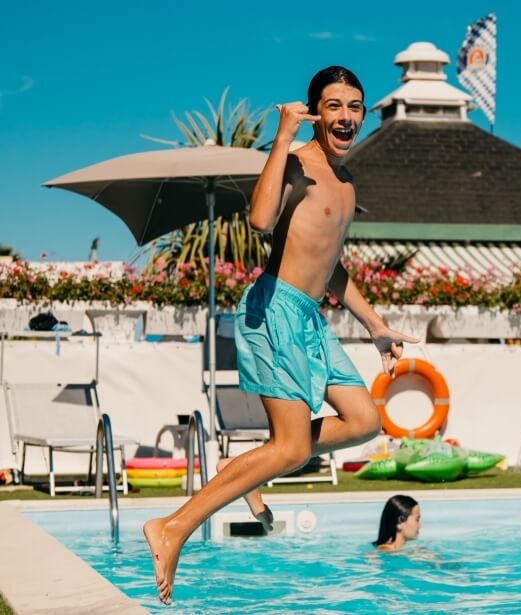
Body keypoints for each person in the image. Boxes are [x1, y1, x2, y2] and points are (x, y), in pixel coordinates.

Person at [144, 66, 417, 604]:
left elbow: (331, 264)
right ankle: (172, 528)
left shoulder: (345, 181)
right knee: (290, 446)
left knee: (364, 420)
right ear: (317, 111)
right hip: (272, 311)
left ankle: (252, 463)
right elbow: (261, 219)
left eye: (355, 106)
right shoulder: (296, 164)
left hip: (310, 317)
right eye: (334, 106)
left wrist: (376, 325)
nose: (346, 116)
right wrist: (283, 139)